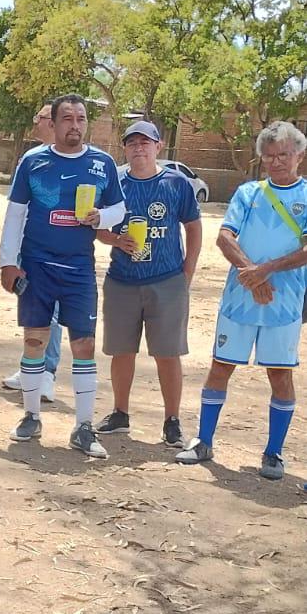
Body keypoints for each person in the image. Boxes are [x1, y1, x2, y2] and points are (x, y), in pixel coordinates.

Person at [177, 121, 307, 478]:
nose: (277, 162)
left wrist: (266, 270)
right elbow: (224, 237)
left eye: (284, 155)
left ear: (299, 155)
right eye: (269, 157)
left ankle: (273, 453)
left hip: (284, 304)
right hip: (239, 299)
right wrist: (253, 276)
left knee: (280, 375)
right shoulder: (248, 193)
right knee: (220, 367)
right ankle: (203, 442)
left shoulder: (306, 197)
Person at [0, 93, 125, 457]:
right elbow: (15, 213)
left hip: (79, 268)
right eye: (67, 118)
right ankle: (31, 416)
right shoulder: (33, 162)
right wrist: (8, 262)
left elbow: (119, 207)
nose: (75, 125)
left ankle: (83, 427)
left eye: (81, 118)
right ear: (52, 124)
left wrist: (102, 217)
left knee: (83, 345)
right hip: (37, 265)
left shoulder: (102, 164)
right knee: (35, 341)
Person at [94, 120, 202, 446]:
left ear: (158, 146)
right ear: (124, 148)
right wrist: (117, 240)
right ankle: (120, 413)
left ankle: (172, 420)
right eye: (132, 143)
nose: (138, 148)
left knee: (168, 353)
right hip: (122, 281)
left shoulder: (176, 183)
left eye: (145, 142)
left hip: (167, 281)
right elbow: (98, 229)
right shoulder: (115, 184)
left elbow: (194, 227)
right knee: (121, 351)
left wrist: (187, 273)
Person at [2, 101, 61, 401]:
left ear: (51, 122)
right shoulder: (31, 158)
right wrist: (9, 248)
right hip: (29, 246)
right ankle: (31, 367)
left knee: (50, 313)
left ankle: (47, 372)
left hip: (58, 251)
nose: (35, 122)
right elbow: (17, 208)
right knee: (32, 309)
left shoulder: (72, 161)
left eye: (39, 117)